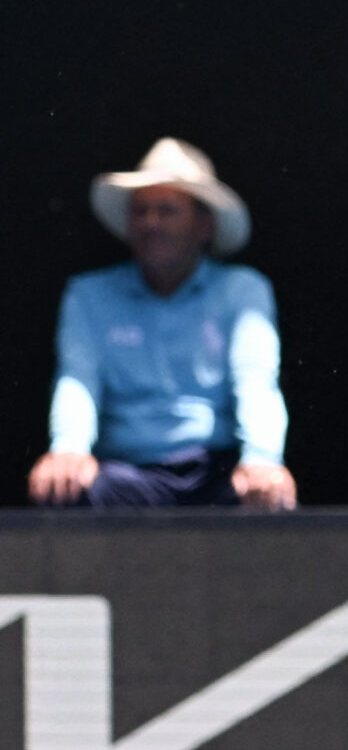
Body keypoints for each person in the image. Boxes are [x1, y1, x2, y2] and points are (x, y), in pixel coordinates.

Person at [31, 138, 295, 510]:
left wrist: (263, 458)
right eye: (140, 211)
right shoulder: (89, 294)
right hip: (128, 475)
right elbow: (77, 379)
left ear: (205, 225)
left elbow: (256, 381)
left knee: (270, 497)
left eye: (167, 210)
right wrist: (68, 450)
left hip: (216, 471)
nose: (150, 223)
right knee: (65, 489)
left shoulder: (241, 290)